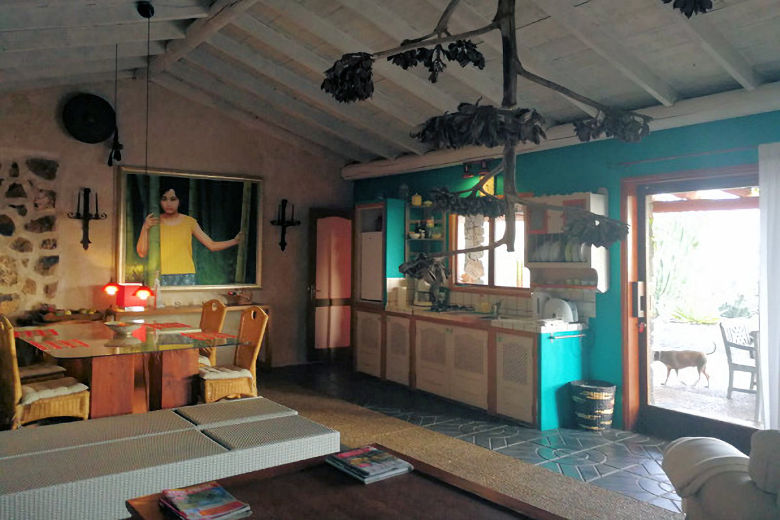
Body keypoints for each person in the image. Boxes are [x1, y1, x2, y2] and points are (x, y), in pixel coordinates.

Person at [136, 186, 241, 285]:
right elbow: (142, 252)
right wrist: (145, 227)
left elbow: (211, 245)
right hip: (160, 275)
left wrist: (235, 241)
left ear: (179, 201)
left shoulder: (189, 222)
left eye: (173, 199)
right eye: (164, 199)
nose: (168, 203)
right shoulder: (154, 222)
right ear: (159, 201)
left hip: (185, 274)